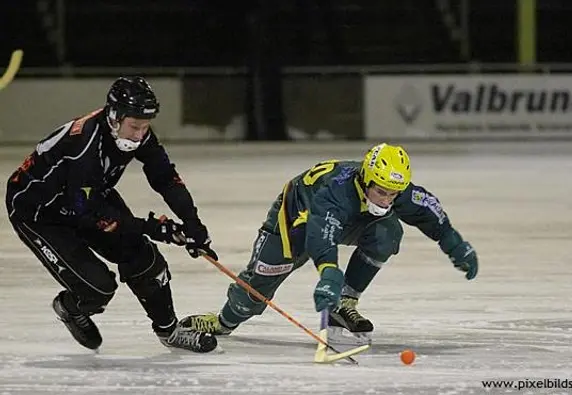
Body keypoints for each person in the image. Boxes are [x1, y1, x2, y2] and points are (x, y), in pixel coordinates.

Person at [179, 143, 478, 344]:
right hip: (298, 215)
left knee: (387, 232)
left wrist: (456, 246)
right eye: (381, 192)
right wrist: (329, 275)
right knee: (264, 278)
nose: (387, 200)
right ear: (366, 179)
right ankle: (225, 321)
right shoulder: (336, 192)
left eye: (393, 194)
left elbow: (432, 215)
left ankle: (344, 304)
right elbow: (321, 235)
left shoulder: (400, 192)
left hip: (349, 217)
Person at [5, 76, 218, 353]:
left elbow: (164, 177)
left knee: (143, 257)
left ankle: (169, 331)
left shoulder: (133, 131)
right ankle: (70, 306)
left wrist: (193, 224)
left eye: (145, 126)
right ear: (115, 117)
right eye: (135, 126)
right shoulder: (84, 145)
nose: (140, 135)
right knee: (98, 290)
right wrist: (155, 228)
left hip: (89, 194)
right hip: (40, 214)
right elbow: (87, 213)